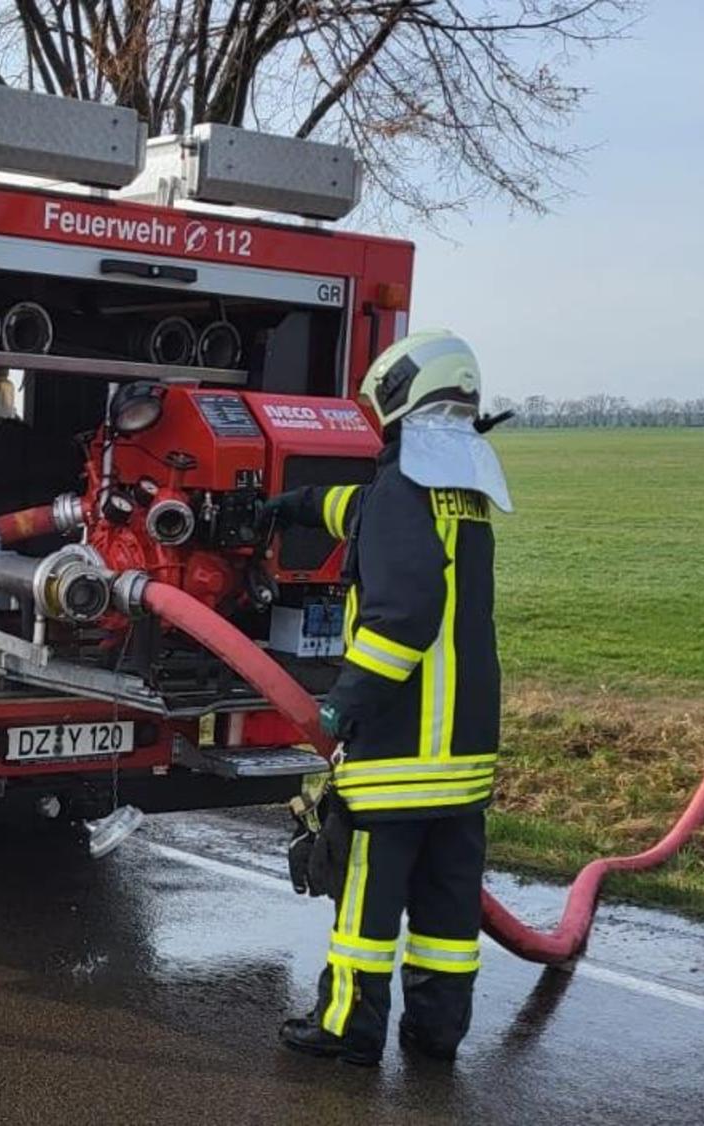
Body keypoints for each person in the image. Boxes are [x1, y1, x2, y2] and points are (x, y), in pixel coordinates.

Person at [265, 329, 512, 1065]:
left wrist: (344, 704)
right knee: (446, 903)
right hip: (462, 757)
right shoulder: (458, 492)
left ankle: (346, 1027)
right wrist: (298, 506)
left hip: (400, 750)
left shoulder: (403, 492)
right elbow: (363, 510)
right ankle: (435, 1033)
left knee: (365, 902)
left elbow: (400, 617)